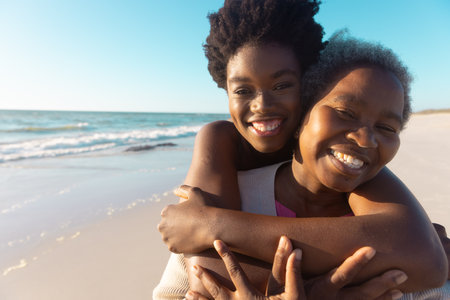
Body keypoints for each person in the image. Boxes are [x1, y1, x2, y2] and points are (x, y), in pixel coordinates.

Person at [155, 31, 448, 299]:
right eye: (345, 112)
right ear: (301, 113)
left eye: (387, 128)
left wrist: (214, 225)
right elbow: (200, 285)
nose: (366, 139)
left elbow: (431, 270)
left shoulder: (403, 231)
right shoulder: (229, 195)